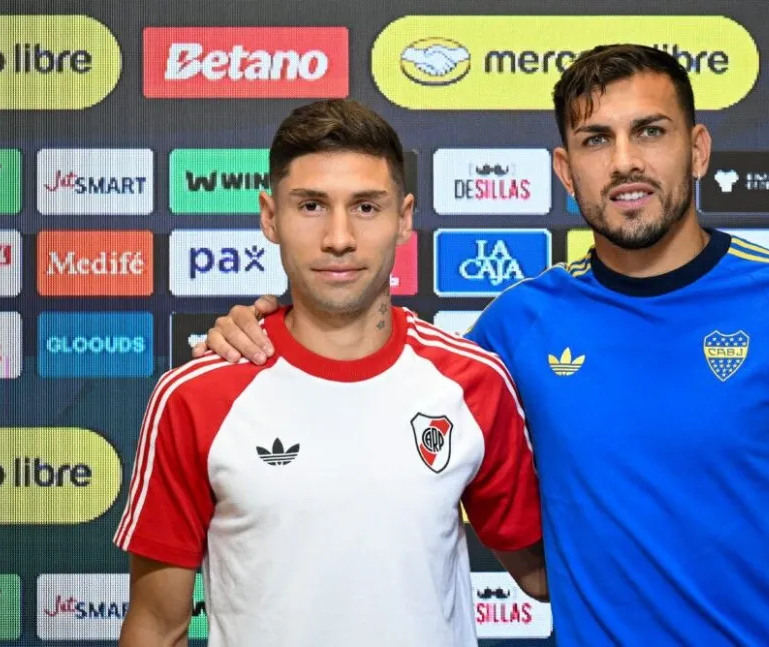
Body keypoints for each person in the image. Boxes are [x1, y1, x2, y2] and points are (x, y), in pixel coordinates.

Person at [195, 45, 769, 647]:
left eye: (649, 132)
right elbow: (377, 364)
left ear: (697, 150)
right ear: (566, 171)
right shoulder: (517, 325)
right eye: (596, 140)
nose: (624, 162)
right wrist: (266, 324)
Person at [114, 99, 546, 647]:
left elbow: (543, 575)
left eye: (365, 207)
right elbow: (157, 626)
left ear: (404, 219)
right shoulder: (196, 395)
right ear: (270, 217)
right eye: (311, 205)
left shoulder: (472, 381)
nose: (339, 238)